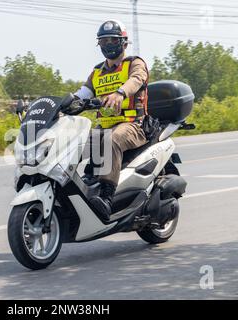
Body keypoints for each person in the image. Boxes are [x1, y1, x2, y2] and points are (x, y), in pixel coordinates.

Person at [73, 19, 149, 221]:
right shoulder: (97, 72)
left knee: (110, 140)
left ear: (123, 42)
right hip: (103, 128)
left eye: (112, 40)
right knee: (72, 144)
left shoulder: (134, 63)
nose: (107, 45)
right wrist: (62, 106)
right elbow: (82, 94)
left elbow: (137, 80)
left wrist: (120, 93)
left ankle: (106, 199)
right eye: (103, 41)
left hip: (133, 125)